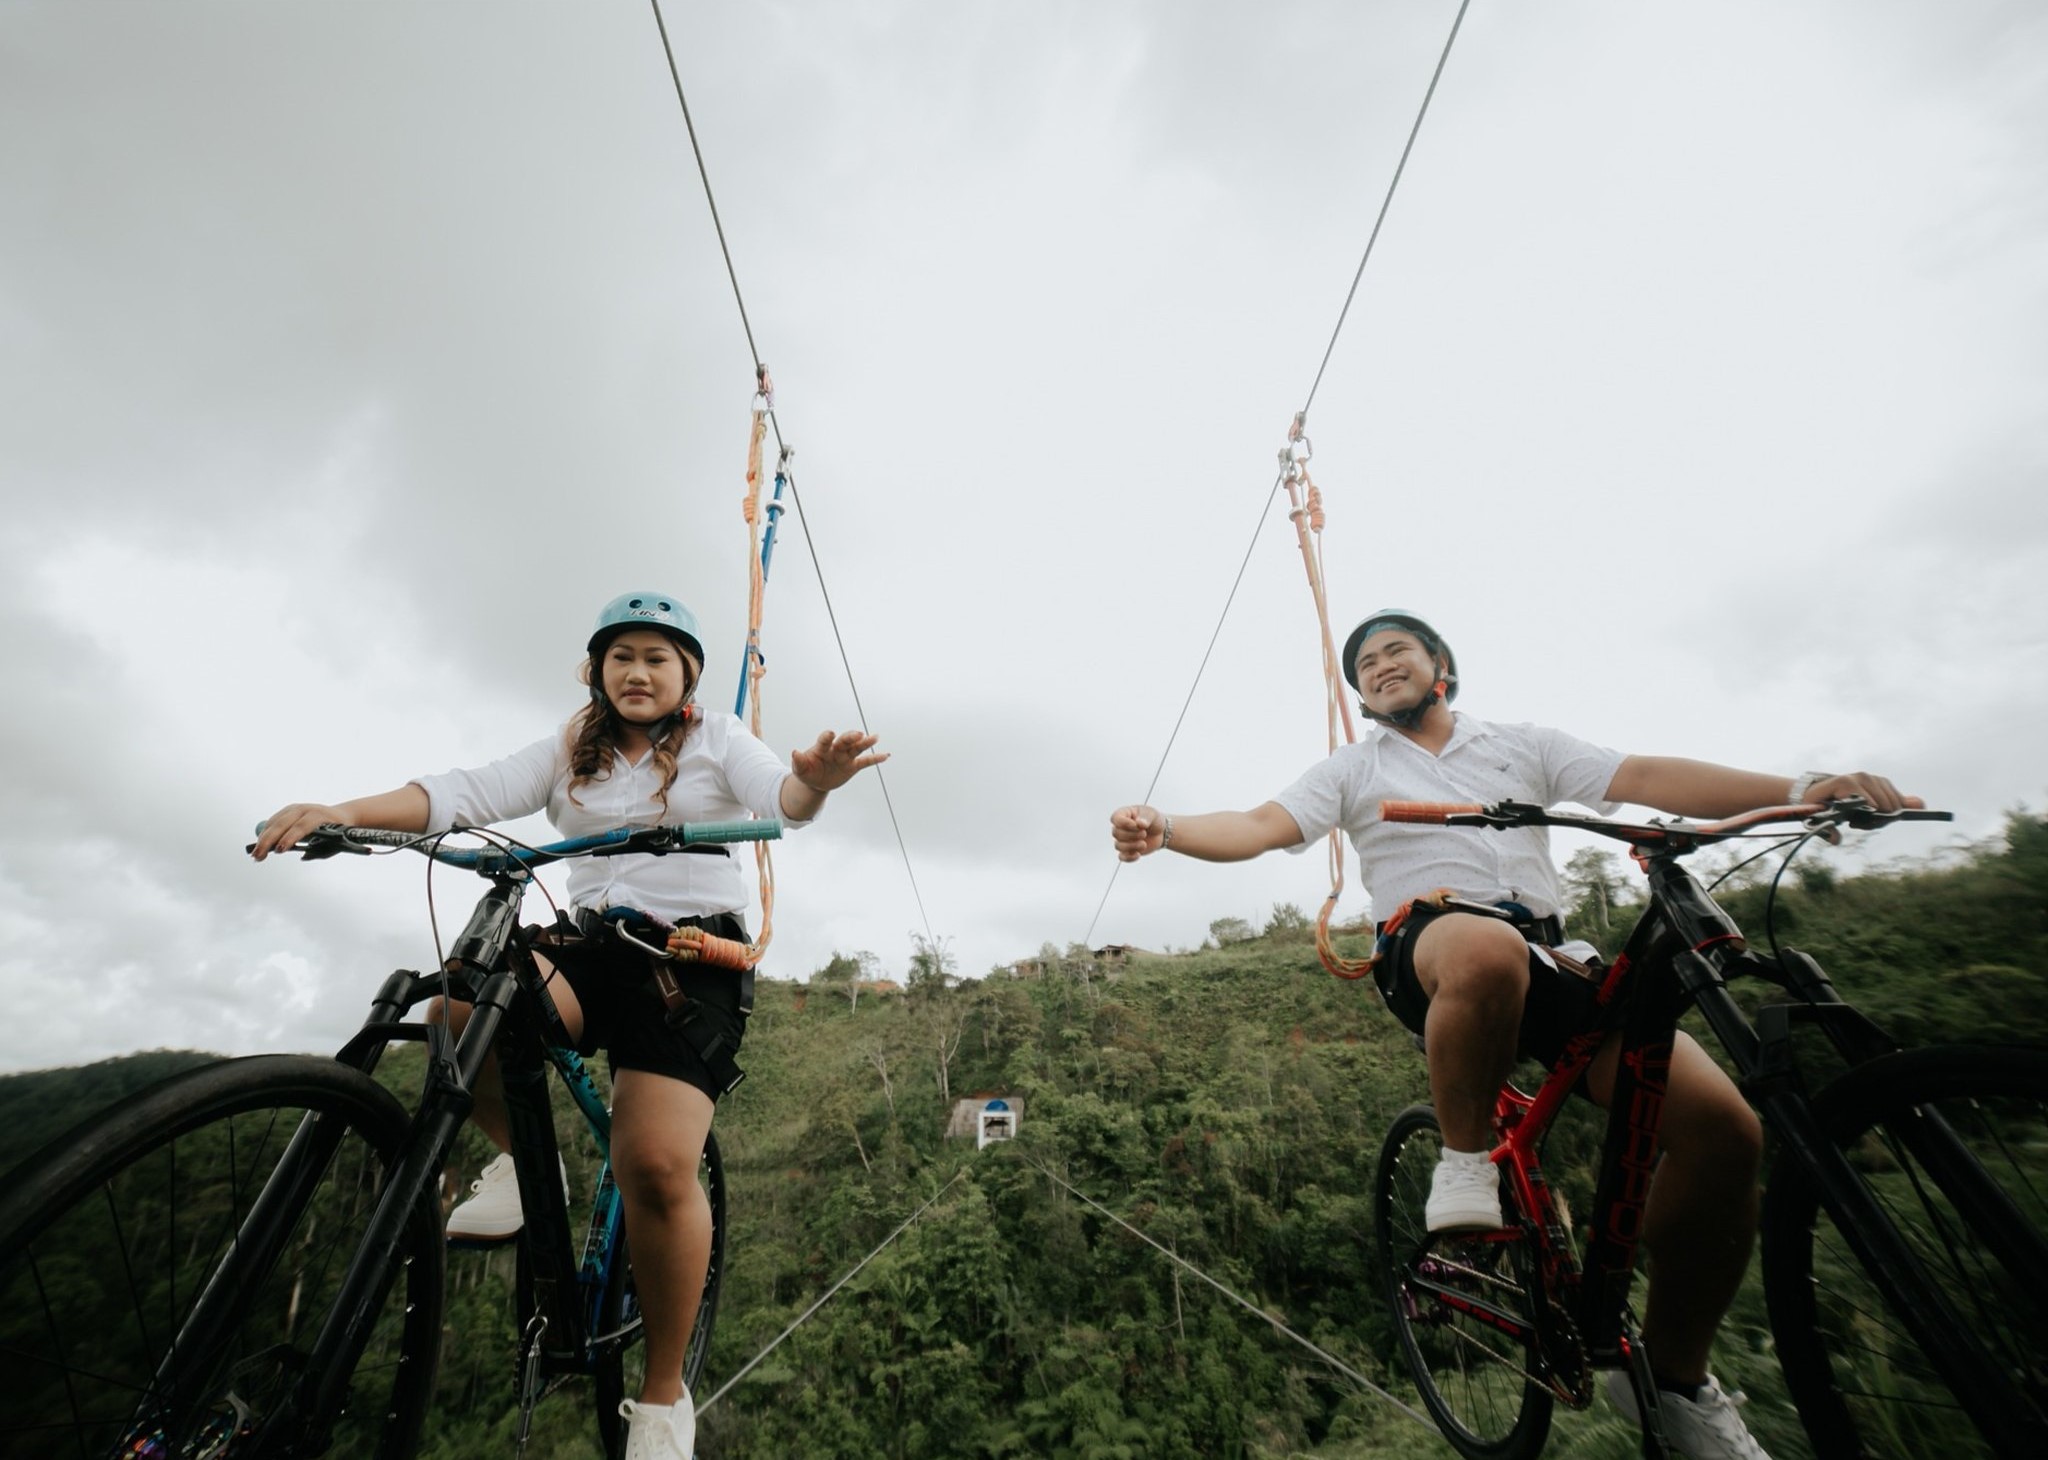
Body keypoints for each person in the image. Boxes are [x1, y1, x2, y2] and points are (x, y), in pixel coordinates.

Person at [1107, 609, 1918, 1460]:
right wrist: (1170, 830)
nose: (1379, 666)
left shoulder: (1520, 745)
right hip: (1431, 948)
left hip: (1553, 960)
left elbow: (1642, 775)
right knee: (1486, 949)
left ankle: (1676, 1383)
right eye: (1365, 665)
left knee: (1726, 1134)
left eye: (1396, 651)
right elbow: (1258, 824)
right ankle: (1464, 1165)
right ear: (1363, 698)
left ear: (1441, 667)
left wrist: (1800, 790)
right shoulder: (1354, 769)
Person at [254, 590, 886, 1460]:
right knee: (460, 1008)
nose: (638, 672)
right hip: (588, 946)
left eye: (657, 658)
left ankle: (661, 1399)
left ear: (688, 676)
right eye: (621, 657)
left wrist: (814, 779)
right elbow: (466, 791)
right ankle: (525, 1161)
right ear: (597, 671)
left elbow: (782, 796)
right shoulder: (571, 745)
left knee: (653, 1164)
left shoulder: (718, 737)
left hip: (687, 961)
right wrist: (344, 811)